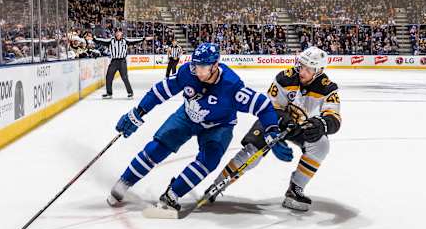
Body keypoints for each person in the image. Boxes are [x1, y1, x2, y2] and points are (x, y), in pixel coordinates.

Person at [106, 43, 293, 216]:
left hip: (218, 126)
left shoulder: (232, 86)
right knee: (158, 147)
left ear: (215, 65)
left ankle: (173, 193)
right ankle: (125, 182)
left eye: (203, 67)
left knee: (208, 161)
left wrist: (271, 130)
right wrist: (139, 111)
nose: (198, 71)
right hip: (186, 116)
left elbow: (263, 106)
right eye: (195, 65)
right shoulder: (188, 72)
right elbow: (161, 91)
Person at [208, 46, 341, 212]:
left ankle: (295, 190)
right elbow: (269, 107)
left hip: (300, 128)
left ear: (319, 70)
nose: (302, 71)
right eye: (301, 65)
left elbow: (334, 117)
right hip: (273, 122)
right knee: (253, 152)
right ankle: (219, 184)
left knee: (321, 145)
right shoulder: (285, 78)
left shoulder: (328, 88)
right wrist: (284, 121)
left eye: (308, 69)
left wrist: (321, 124)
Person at [96, 30, 153, 99]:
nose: (118, 34)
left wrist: (143, 39)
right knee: (109, 77)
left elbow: (135, 40)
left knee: (125, 78)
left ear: (121, 34)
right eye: (117, 33)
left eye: (119, 33)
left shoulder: (125, 41)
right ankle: (109, 93)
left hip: (122, 61)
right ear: (115, 34)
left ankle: (130, 93)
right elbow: (101, 41)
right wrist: (93, 39)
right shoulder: (111, 41)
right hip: (114, 61)